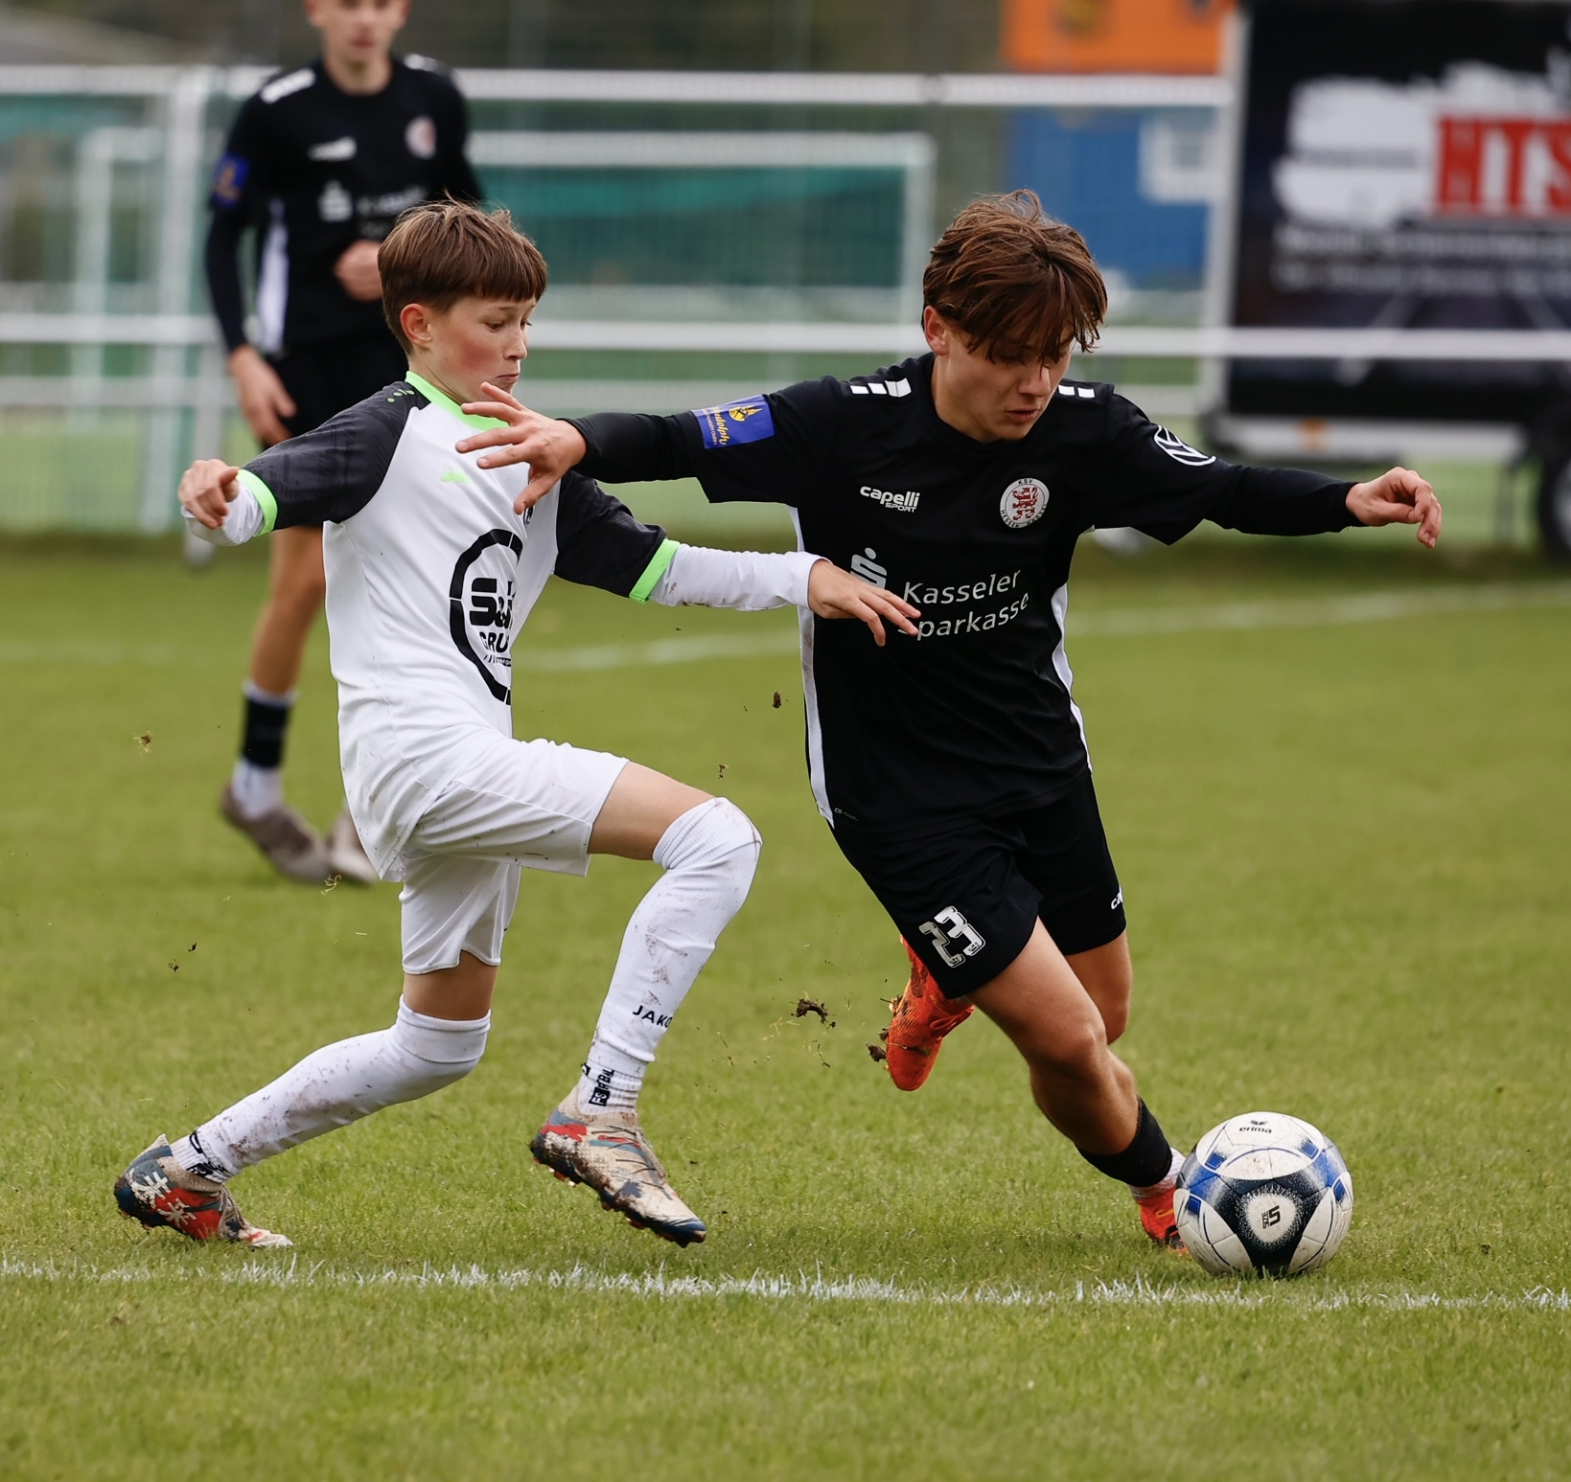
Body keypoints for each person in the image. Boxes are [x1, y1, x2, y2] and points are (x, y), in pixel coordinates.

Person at [455, 191, 1442, 1253]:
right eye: (1010, 354)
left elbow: (1221, 488)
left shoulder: (1085, 429)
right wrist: (575, 439)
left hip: (1040, 759)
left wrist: (1346, 500)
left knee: (1105, 1014)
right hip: (898, 793)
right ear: (939, 328)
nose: (1034, 381)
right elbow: (685, 438)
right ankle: (1176, 1194)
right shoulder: (847, 423)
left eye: (1053, 355)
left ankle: (941, 979)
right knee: (1068, 1039)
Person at [115, 202, 919, 1249]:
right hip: (427, 760)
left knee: (436, 1046)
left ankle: (185, 1169)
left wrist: (800, 575)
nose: (519, 345)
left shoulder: (527, 453)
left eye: (527, 322)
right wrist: (215, 493)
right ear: (419, 325)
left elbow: (657, 567)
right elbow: (258, 499)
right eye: (495, 323)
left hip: (444, 770)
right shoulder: (383, 432)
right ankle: (602, 1112)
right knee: (717, 838)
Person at [206, 0, 481, 883]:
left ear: (399, 12)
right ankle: (256, 786)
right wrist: (243, 358)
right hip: (306, 371)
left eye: (379, 3)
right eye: (347, 2)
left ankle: (378, 807)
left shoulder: (435, 98)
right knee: (306, 580)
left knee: (426, 568)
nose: (363, 19)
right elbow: (223, 236)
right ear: (317, 11)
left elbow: (468, 219)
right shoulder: (277, 108)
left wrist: (404, 254)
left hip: (412, 371)